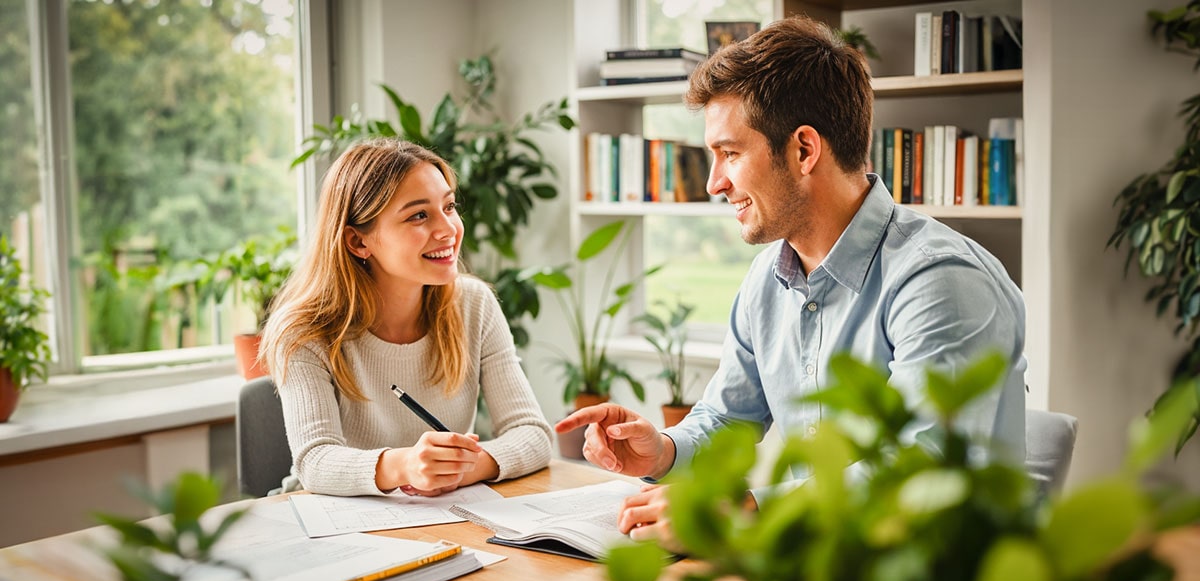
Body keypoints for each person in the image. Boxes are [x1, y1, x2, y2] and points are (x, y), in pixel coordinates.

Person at [556, 15, 1026, 546]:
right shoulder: (768, 279)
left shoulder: (940, 281)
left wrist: (743, 510)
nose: (714, 183)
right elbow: (724, 417)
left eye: (729, 154)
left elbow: (916, 475)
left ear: (804, 149)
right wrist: (661, 450)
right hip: (821, 572)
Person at [260, 137, 552, 497]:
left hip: (440, 517)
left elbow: (533, 434)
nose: (448, 229)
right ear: (357, 242)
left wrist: (466, 468)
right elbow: (315, 462)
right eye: (418, 215)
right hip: (327, 521)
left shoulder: (474, 304)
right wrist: (405, 467)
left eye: (448, 207)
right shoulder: (303, 330)